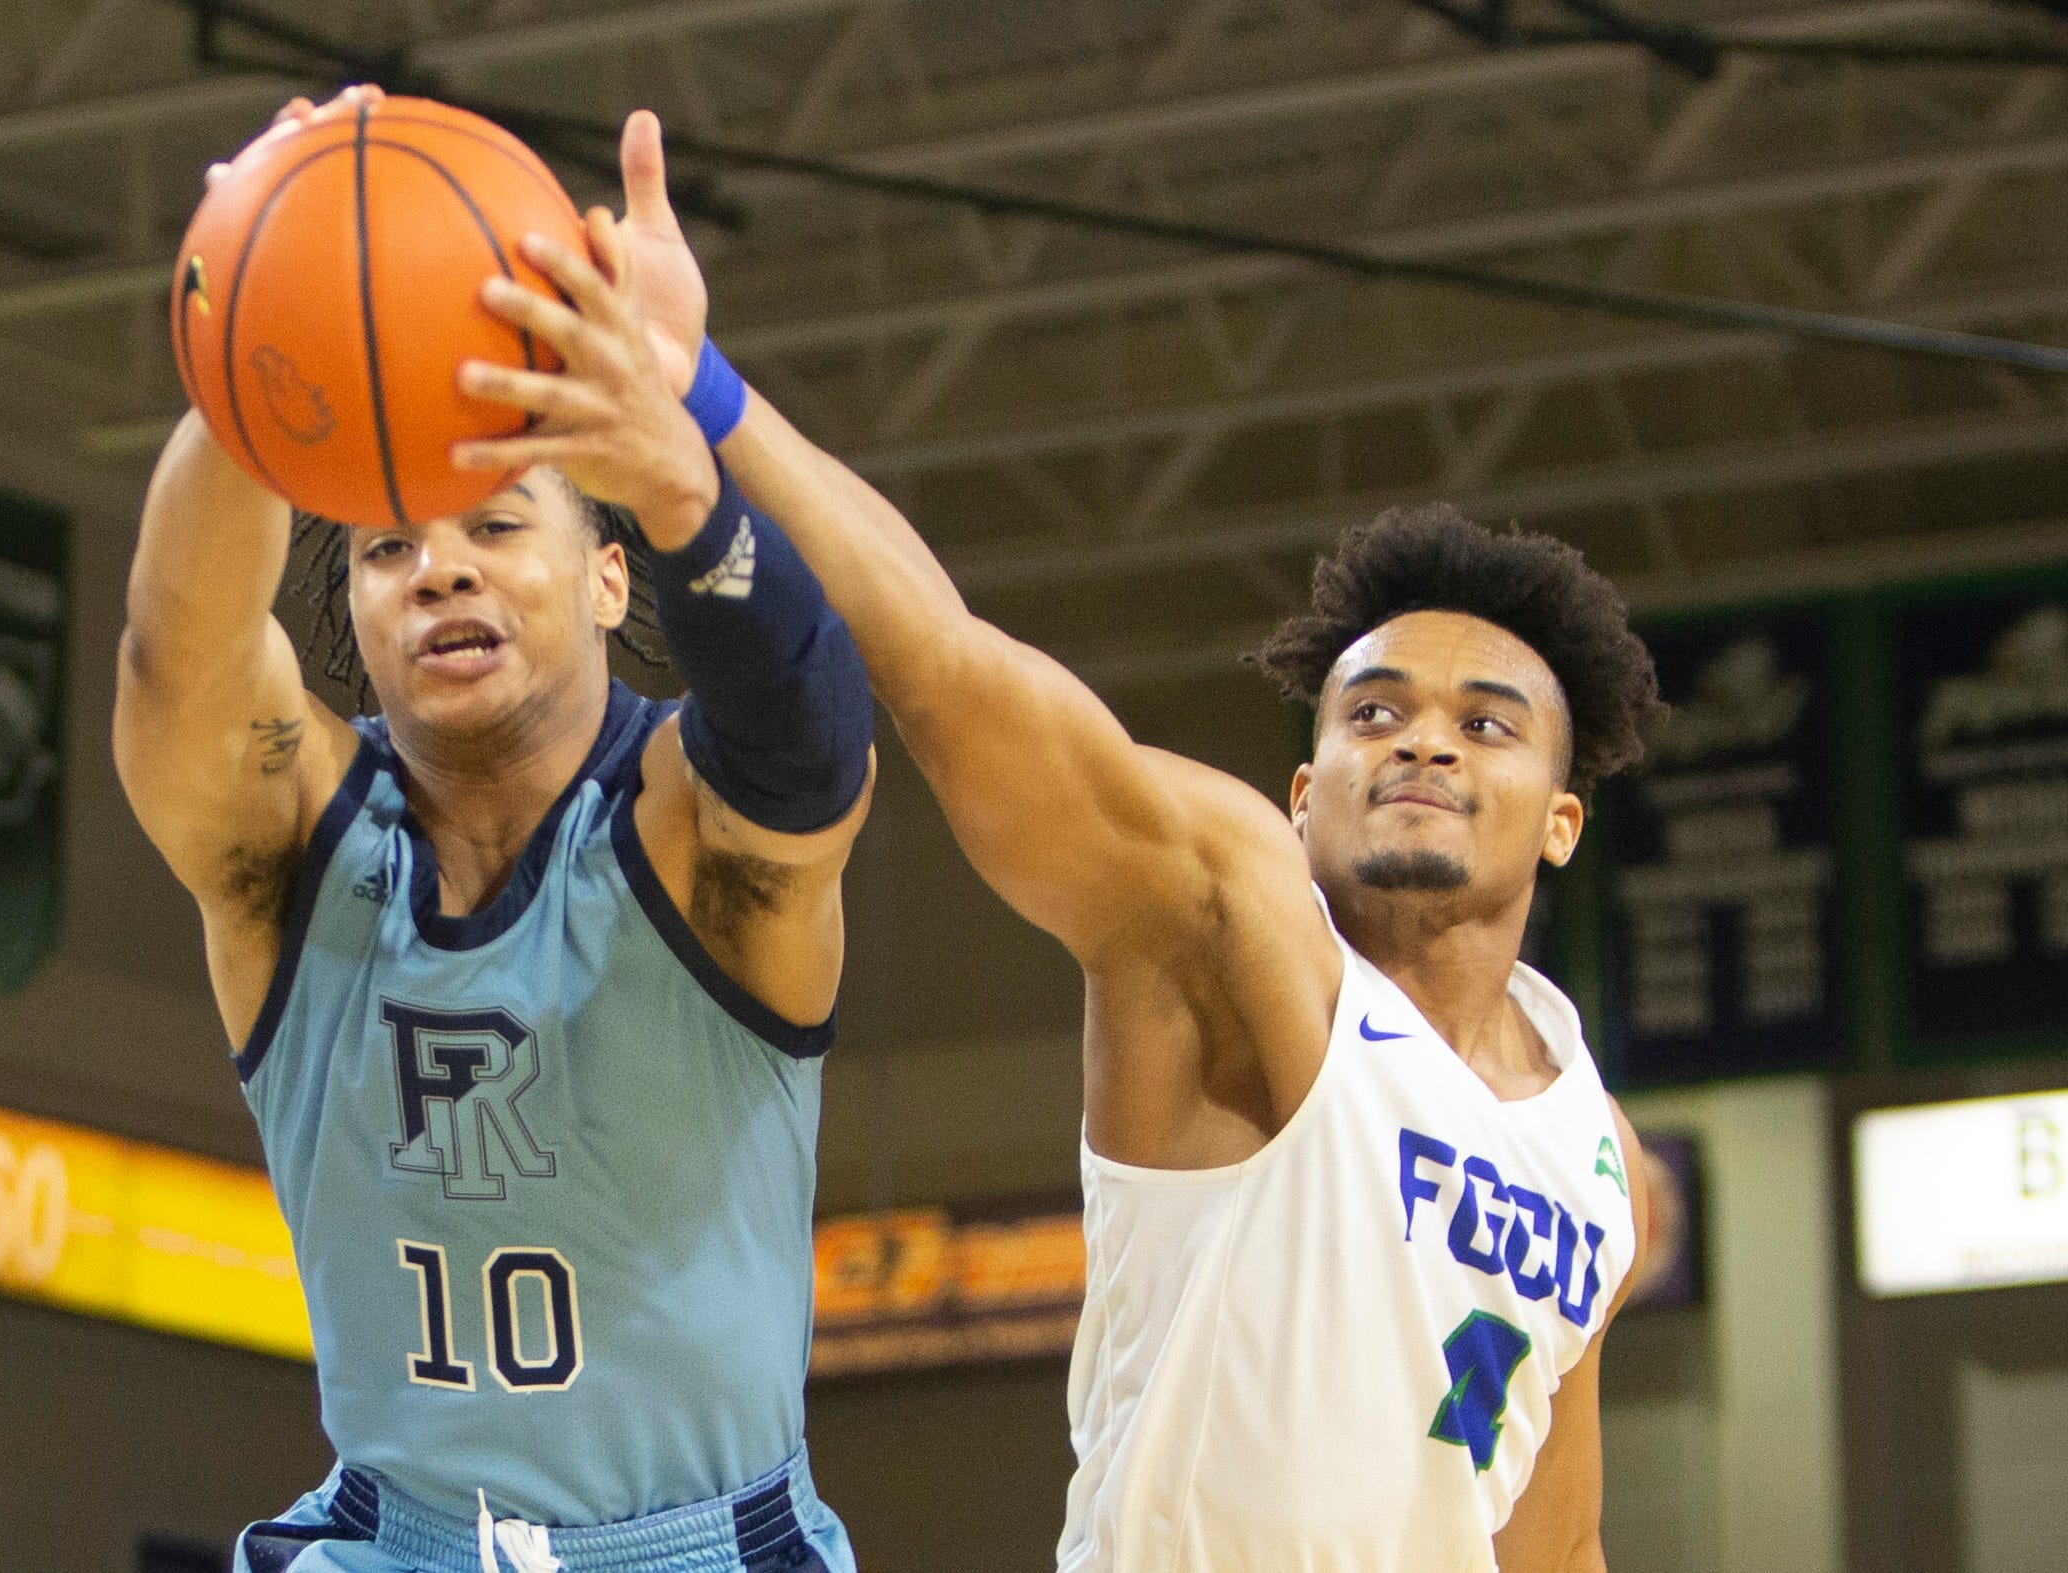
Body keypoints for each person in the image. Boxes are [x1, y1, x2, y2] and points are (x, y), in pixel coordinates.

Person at [458, 111, 1659, 1573]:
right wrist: (700, 396)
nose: (1422, 741)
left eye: (1486, 726)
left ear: (1563, 816)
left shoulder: (1587, 1136)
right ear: (1299, 791)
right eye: (1378, 711)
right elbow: (953, 664)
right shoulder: (1233, 914)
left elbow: (1559, 1535)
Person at [114, 89, 873, 1573]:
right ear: (347, 606)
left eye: (498, 526)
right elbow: (175, 661)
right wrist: (253, 354)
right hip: (393, 1542)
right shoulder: (300, 851)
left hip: (703, 1546)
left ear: (607, 576)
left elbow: (809, 741)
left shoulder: (679, 831)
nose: (438, 571)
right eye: (389, 548)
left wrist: (673, 463)